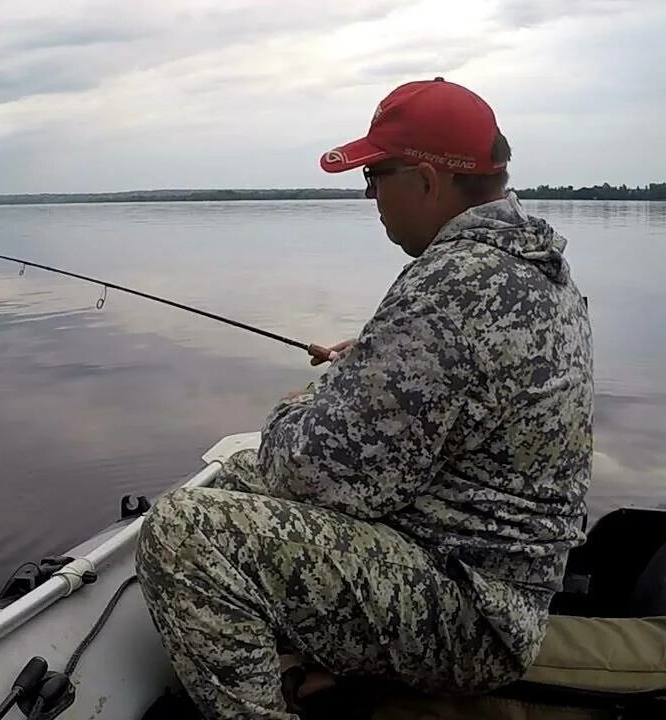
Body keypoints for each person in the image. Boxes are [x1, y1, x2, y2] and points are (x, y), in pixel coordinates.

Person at [136, 77, 594, 720]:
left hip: (478, 616)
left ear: (429, 180)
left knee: (183, 533)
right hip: (499, 576)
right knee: (234, 477)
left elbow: (309, 471)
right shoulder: (534, 268)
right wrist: (376, 361)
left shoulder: (452, 285)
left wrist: (309, 397)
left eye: (377, 174)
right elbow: (456, 383)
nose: (370, 193)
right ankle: (314, 664)